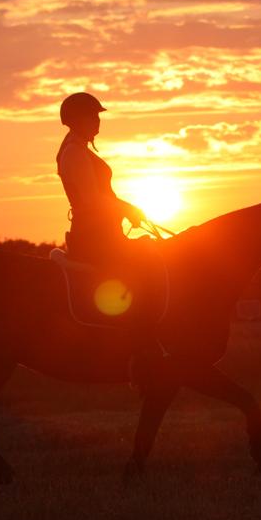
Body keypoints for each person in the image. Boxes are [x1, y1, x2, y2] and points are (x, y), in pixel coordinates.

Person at [56, 91, 166, 390]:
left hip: (104, 233)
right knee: (145, 265)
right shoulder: (74, 153)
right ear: (77, 120)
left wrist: (127, 210)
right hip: (94, 238)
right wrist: (127, 208)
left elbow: (103, 196)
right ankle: (140, 349)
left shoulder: (80, 149)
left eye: (98, 115)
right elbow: (92, 201)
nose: (98, 121)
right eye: (93, 116)